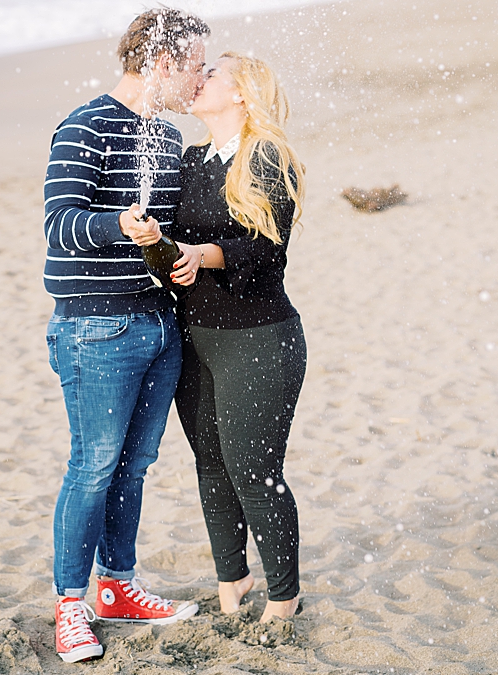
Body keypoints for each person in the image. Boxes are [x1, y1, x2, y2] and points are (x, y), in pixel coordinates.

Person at [43, 8, 209, 663]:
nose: (200, 77)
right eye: (194, 64)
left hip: (159, 322)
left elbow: (171, 230)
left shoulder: (166, 138)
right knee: (91, 467)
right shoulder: (84, 125)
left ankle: (116, 586)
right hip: (94, 325)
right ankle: (69, 604)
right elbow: (60, 224)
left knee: (134, 466)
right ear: (161, 62)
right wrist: (118, 223)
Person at [134, 52, 307, 622]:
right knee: (210, 465)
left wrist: (201, 255)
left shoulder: (268, 157)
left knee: (254, 472)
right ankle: (232, 582)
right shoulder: (189, 160)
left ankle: (284, 598)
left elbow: (264, 252)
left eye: (211, 73)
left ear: (241, 94)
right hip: (195, 338)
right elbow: (175, 254)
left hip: (259, 339)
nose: (197, 79)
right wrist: (158, 243)